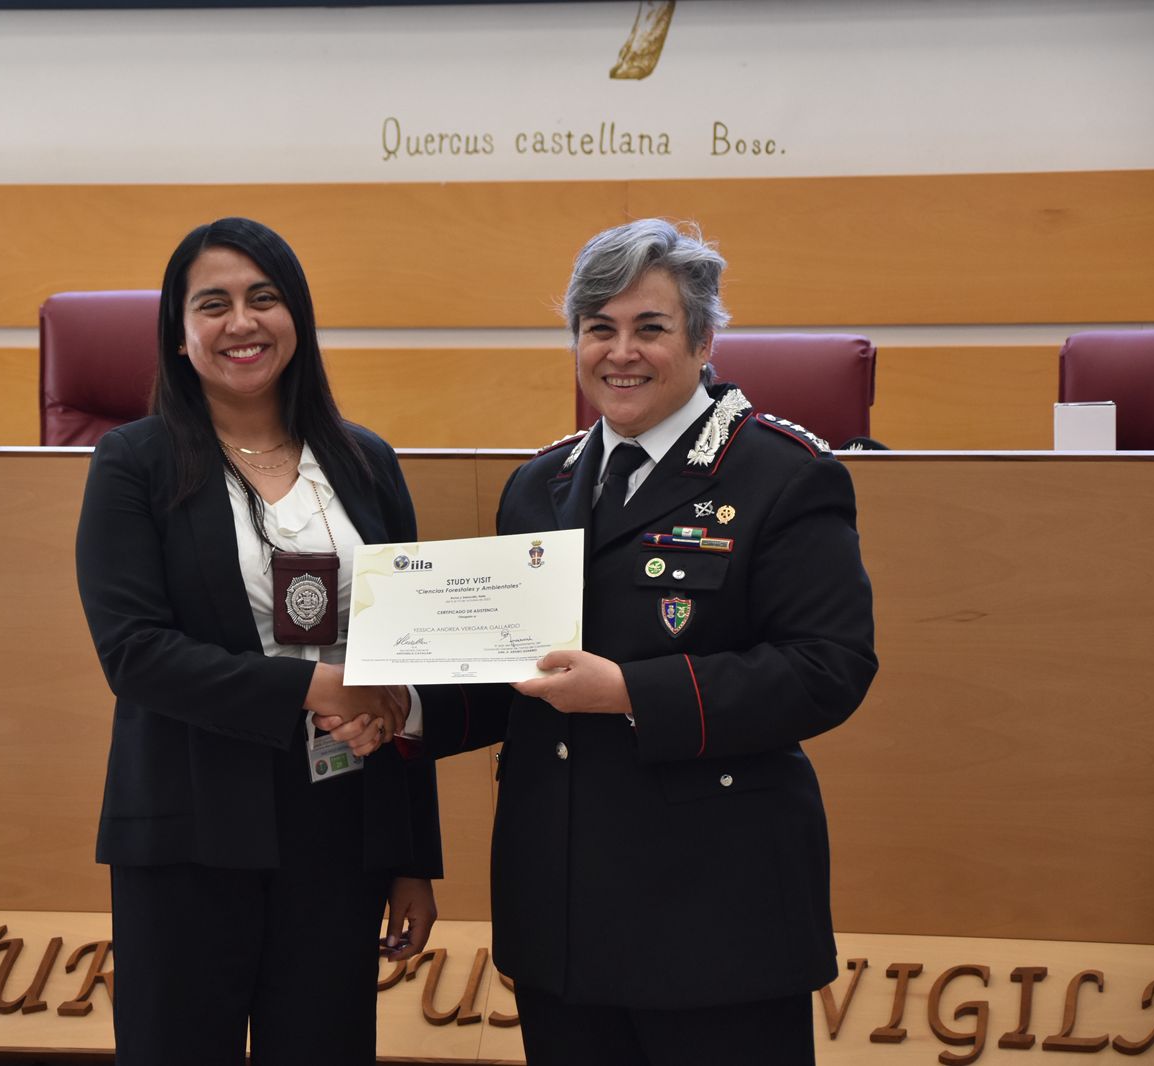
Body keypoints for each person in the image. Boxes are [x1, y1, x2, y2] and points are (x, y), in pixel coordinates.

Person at [337, 218, 878, 1064]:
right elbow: (517, 674)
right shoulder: (539, 483)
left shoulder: (783, 473)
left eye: (649, 328)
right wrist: (400, 706)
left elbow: (827, 667)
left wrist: (629, 693)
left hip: (716, 917)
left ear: (702, 340)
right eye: (599, 328)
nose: (621, 353)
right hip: (563, 916)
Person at [74, 217, 440, 1066]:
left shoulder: (367, 463)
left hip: (338, 827)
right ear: (179, 332)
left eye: (264, 298)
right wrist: (312, 688)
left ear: (297, 317)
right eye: (214, 304)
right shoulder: (134, 462)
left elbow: (405, 663)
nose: (242, 322)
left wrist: (409, 860)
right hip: (189, 826)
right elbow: (134, 653)